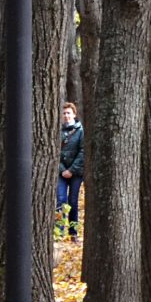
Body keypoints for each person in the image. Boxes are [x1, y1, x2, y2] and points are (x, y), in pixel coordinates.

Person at [58, 101, 85, 235]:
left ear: (74, 114)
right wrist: (62, 170)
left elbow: (82, 152)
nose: (66, 116)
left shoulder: (80, 131)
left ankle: (73, 231)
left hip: (76, 173)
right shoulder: (58, 131)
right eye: (64, 113)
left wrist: (71, 170)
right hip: (60, 173)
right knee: (61, 199)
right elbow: (53, 152)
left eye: (68, 113)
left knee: (73, 201)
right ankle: (60, 230)